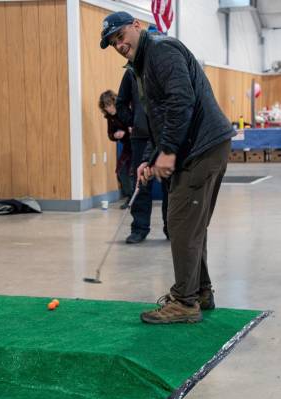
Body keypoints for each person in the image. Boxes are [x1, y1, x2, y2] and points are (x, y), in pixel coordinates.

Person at [100, 12, 236, 323]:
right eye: (113, 43)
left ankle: (185, 302)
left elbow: (181, 101)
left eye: (120, 36)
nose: (119, 45)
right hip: (200, 147)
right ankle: (200, 291)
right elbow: (157, 119)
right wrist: (149, 158)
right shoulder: (143, 64)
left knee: (181, 223)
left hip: (202, 148)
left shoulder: (161, 51)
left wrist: (169, 152)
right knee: (188, 222)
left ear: (136, 25)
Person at [116, 67, 169, 243]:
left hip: (163, 134)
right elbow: (120, 103)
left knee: (169, 183)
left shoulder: (163, 67)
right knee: (141, 183)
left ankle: (171, 228)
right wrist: (134, 121)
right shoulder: (131, 72)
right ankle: (139, 228)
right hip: (141, 136)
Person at [98, 90, 132, 209]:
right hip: (127, 145)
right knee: (121, 170)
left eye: (110, 105)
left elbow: (134, 127)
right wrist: (115, 135)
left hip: (135, 143)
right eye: (106, 106)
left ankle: (135, 198)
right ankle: (130, 196)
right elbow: (110, 134)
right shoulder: (109, 117)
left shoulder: (125, 110)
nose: (109, 109)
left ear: (114, 102)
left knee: (132, 170)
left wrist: (125, 133)